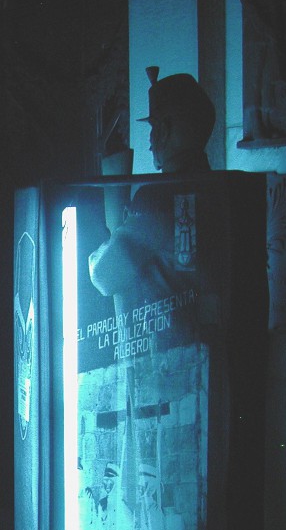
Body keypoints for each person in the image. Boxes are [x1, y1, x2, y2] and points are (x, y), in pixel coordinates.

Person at [88, 67, 215, 342]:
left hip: (172, 358)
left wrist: (100, 250)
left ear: (164, 132)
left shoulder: (157, 199)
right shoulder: (217, 188)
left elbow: (105, 276)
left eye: (155, 128)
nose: (150, 141)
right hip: (210, 351)